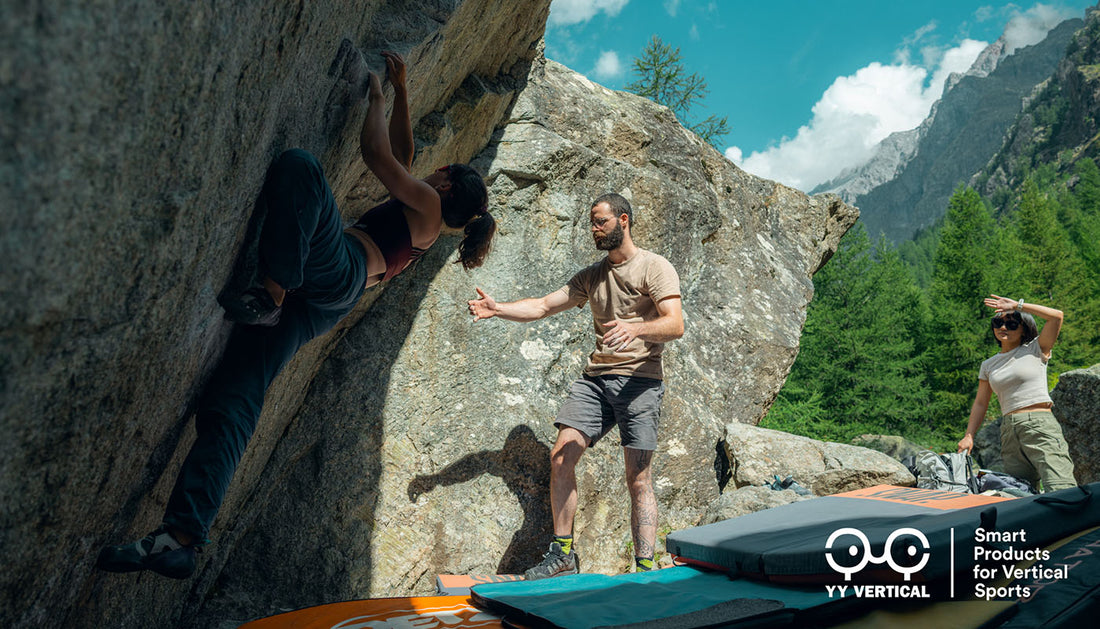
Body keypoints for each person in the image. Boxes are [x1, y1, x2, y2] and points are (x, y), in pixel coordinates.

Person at [97, 51, 496, 579]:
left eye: (436, 172)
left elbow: (380, 156)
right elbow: (402, 154)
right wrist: (402, 93)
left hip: (336, 269)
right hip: (329, 299)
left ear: (444, 183)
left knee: (302, 168)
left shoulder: (424, 203)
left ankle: (270, 293)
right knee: (237, 397)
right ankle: (181, 536)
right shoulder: (428, 216)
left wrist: (375, 95)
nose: (426, 170)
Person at [467, 193, 683, 579]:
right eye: (592, 223)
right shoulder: (592, 276)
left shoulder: (655, 267)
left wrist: (635, 328)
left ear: (623, 220)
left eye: (600, 221)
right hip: (596, 381)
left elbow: (675, 324)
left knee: (638, 477)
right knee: (561, 456)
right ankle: (563, 555)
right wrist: (498, 309)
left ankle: (645, 568)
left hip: (640, 382)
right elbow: (544, 306)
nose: (594, 229)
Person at [957, 294, 1076, 493]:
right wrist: (969, 435)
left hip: (1038, 423)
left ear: (1023, 330)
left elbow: (1056, 316)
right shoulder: (988, 365)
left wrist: (1018, 306)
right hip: (1008, 430)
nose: (1003, 327)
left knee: (1060, 485)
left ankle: (1077, 521)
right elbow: (980, 403)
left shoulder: (1037, 348)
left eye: (1012, 324)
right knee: (1020, 490)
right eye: (998, 322)